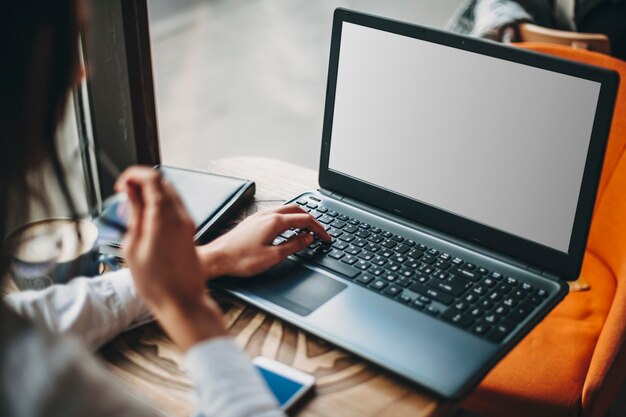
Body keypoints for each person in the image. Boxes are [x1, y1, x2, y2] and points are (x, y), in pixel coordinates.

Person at [0, 1, 331, 416]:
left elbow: (31, 320)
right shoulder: (41, 391)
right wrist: (189, 308)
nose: (81, 71)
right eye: (69, 45)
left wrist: (207, 259)